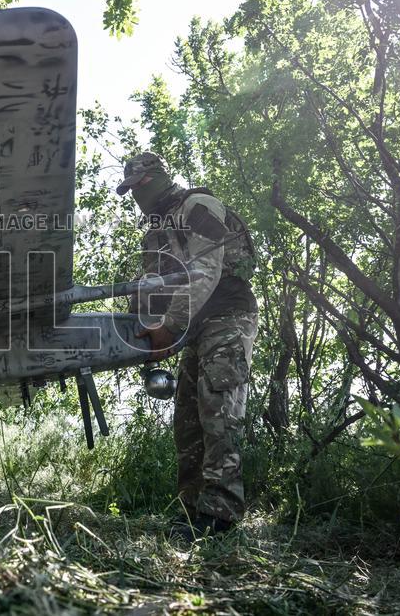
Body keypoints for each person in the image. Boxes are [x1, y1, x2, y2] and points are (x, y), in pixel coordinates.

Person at [116, 152, 258, 540]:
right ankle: (191, 511)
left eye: (140, 186)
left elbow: (205, 270)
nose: (136, 196)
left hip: (228, 316)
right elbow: (149, 284)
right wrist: (135, 329)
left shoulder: (199, 206)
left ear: (160, 177)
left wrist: (171, 325)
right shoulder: (156, 231)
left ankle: (221, 516)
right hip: (193, 326)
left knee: (218, 409)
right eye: (130, 191)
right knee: (188, 421)